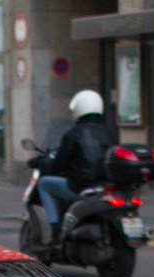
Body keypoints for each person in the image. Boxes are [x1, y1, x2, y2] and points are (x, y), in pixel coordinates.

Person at [28, 89, 118, 246]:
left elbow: (58, 165)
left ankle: (54, 227)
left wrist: (41, 163)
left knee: (44, 184)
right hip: (103, 187)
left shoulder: (73, 134)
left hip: (79, 186)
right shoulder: (109, 133)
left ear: (79, 108)